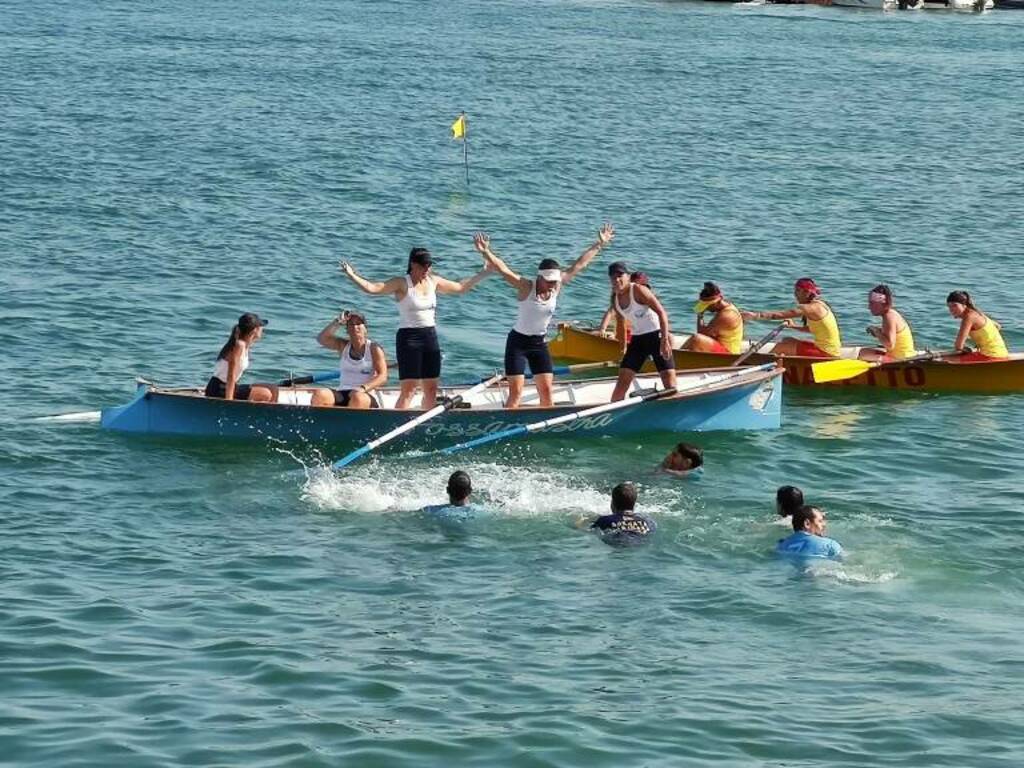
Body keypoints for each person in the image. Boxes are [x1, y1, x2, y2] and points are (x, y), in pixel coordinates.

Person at [472, 224, 615, 408]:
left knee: (547, 392)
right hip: (517, 344)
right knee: (516, 393)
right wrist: (486, 252)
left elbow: (580, 264)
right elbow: (503, 269)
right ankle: (508, 422)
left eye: (554, 282)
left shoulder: (557, 286)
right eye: (549, 282)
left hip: (539, 344)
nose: (552, 286)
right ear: (539, 278)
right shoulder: (526, 287)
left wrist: (599, 244)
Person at [339, 248, 492, 409]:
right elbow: (373, 288)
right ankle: (396, 424)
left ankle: (426, 422)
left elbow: (461, 287)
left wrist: (484, 273)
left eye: (429, 265)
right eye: (423, 266)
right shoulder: (402, 283)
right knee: (409, 389)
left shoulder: (434, 281)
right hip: (409, 338)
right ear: (413, 264)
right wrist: (351, 274)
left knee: (431, 388)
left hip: (430, 337)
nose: (427, 269)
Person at [607, 261, 677, 401]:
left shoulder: (638, 290)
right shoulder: (614, 299)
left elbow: (662, 313)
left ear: (628, 276)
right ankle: (613, 413)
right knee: (621, 384)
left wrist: (664, 340)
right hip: (638, 340)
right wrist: (623, 349)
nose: (617, 280)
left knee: (670, 385)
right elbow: (621, 325)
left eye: (620, 275)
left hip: (657, 337)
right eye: (613, 277)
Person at [742, 278, 842, 358]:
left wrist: (755, 316)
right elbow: (813, 329)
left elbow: (779, 315)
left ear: (807, 292)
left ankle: (760, 365)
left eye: (798, 290)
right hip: (827, 350)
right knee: (787, 340)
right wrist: (793, 326)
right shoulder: (820, 304)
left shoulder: (811, 308)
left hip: (825, 354)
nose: (795, 294)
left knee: (780, 347)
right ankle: (782, 364)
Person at [310, 311, 388, 409]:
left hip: (365, 394)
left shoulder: (374, 348)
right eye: (351, 324)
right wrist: (338, 321)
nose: (355, 327)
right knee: (320, 394)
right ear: (347, 330)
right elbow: (321, 339)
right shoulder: (343, 346)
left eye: (359, 324)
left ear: (365, 329)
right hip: (343, 392)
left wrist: (362, 389)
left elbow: (383, 376)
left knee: (357, 398)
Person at [205, 313, 275, 402]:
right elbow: (231, 375)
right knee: (265, 394)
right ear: (255, 330)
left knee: (273, 388)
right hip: (219, 388)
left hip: (228, 386)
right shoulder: (239, 345)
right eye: (261, 327)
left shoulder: (245, 345)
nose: (263, 330)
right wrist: (229, 400)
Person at [584, 482, 656, 545]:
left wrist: (581, 520)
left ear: (612, 504)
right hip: (638, 543)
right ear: (634, 504)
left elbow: (587, 530)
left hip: (618, 544)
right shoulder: (646, 521)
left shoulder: (604, 520)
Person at [682, 282, 744, 355]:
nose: (706, 308)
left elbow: (702, 334)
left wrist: (700, 315)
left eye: (707, 306)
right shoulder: (727, 307)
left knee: (697, 339)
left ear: (717, 302)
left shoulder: (726, 315)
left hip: (729, 354)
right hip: (720, 346)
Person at [946, 290, 1008, 361]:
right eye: (949, 306)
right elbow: (997, 326)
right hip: (1001, 353)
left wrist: (967, 349)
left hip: (991, 356)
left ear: (964, 305)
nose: (951, 309)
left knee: (956, 359)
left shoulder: (969, 317)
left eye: (955, 305)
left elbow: (958, 346)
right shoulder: (977, 313)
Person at [859, 284, 916, 362]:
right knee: (863, 351)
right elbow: (890, 335)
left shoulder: (889, 317)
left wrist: (876, 331)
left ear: (882, 304)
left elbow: (889, 345)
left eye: (872, 304)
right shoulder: (890, 313)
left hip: (901, 359)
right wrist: (877, 331)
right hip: (898, 355)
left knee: (864, 356)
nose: (869, 307)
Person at [775, 505, 843, 560]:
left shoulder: (781, 545)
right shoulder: (830, 545)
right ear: (807, 523)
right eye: (820, 521)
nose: (824, 524)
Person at [597, 271, 648, 337]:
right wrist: (602, 329)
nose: (637, 288)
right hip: (621, 329)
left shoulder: (646, 295)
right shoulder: (621, 293)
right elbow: (611, 311)